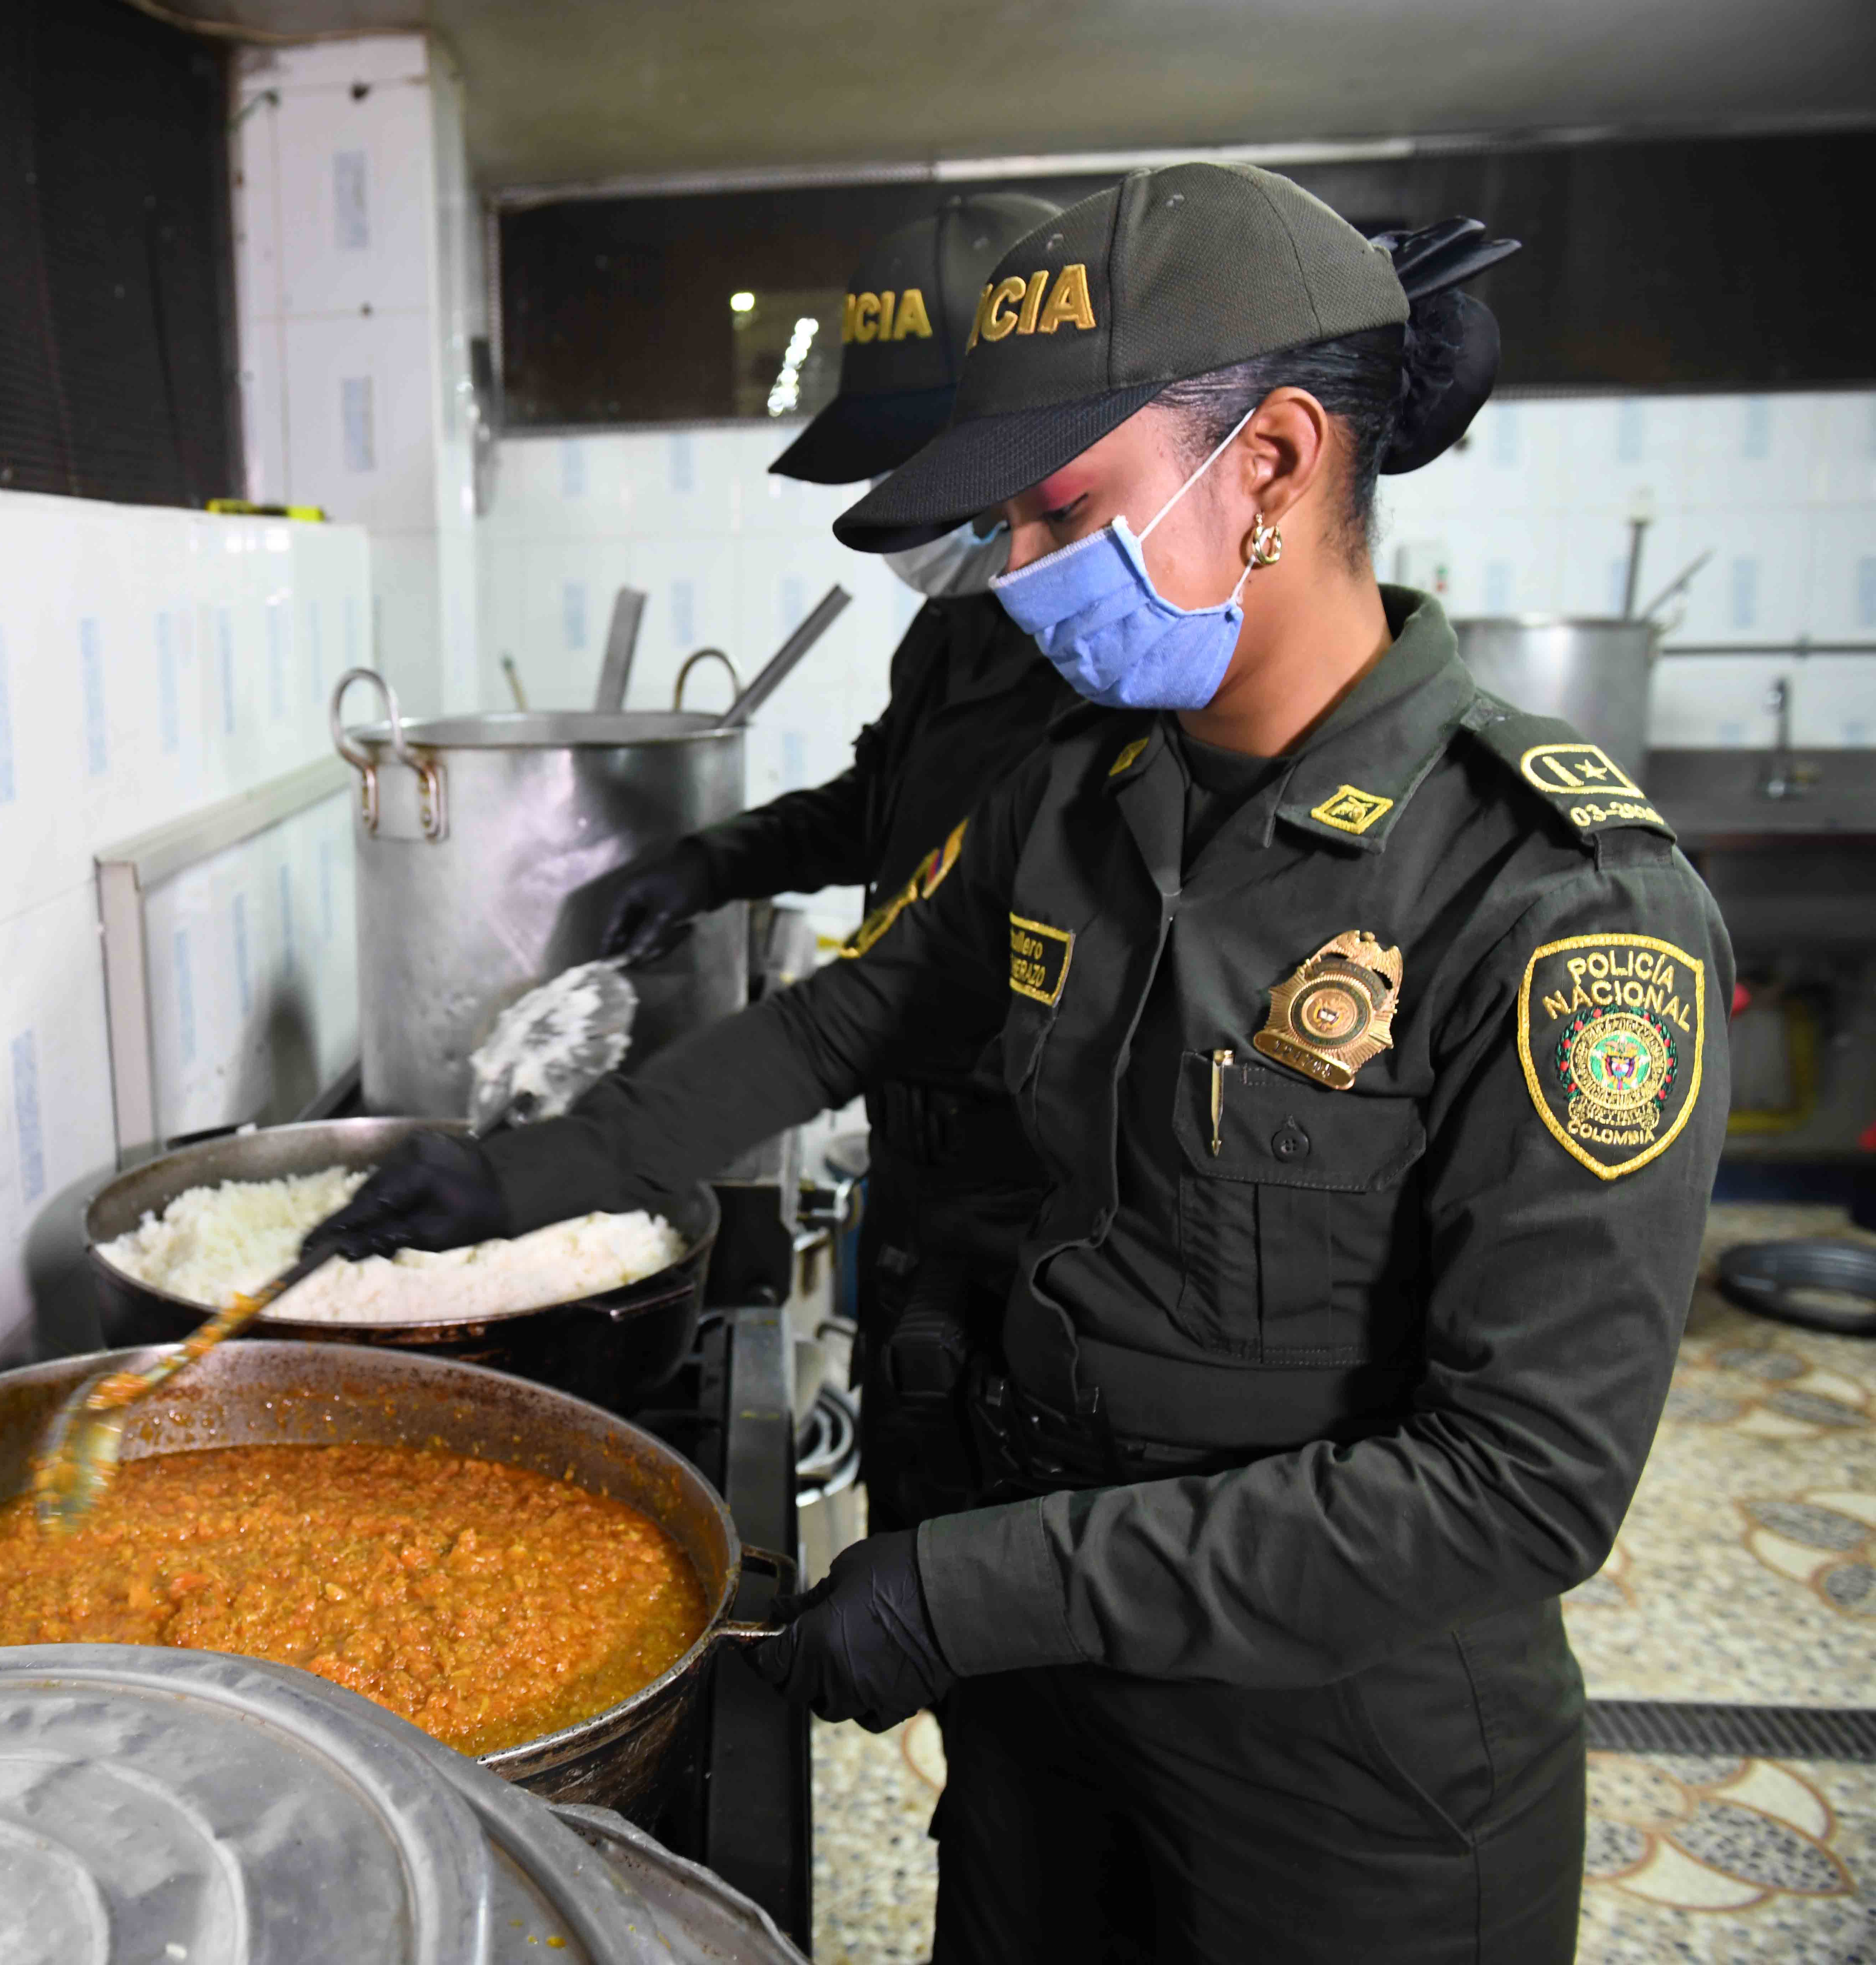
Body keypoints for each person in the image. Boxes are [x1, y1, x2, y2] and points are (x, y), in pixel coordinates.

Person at [305, 164, 1729, 1960]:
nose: (1023, 578)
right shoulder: (1086, 794)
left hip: (1341, 1782)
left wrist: (971, 1581)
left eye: (1062, 512)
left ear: (1275, 466)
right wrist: (509, 1180)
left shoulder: (1553, 905)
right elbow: (845, 1019)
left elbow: (1518, 1482)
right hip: (1053, 1710)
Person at [594, 192, 1070, 1533]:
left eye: (922, 464)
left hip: (1034, 1196)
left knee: (997, 1576)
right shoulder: (960, 630)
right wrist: (711, 862)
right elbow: (882, 804)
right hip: (924, 1182)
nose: (899, 506)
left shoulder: (1106, 657)